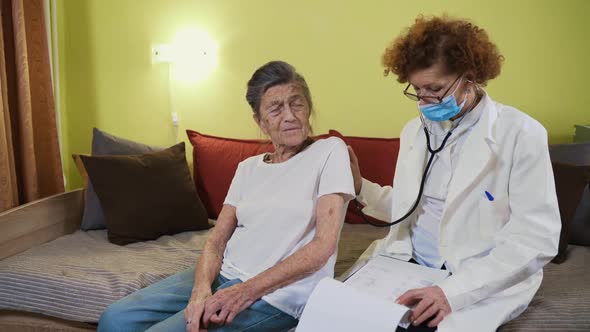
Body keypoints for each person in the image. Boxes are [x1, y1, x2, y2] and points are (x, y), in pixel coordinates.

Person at [98, 61, 355, 332]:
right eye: (276, 108)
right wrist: (200, 289)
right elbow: (216, 240)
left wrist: (245, 292)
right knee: (115, 319)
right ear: (260, 122)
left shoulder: (329, 151)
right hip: (224, 273)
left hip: (278, 294)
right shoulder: (247, 168)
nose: (290, 115)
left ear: (308, 108)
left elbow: (322, 247)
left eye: (297, 103)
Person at [349, 15, 561, 332]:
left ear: (469, 78)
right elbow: (410, 205)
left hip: (474, 275)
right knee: (338, 315)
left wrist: (452, 293)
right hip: (406, 263)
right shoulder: (415, 131)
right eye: (417, 90)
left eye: (434, 89)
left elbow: (536, 238)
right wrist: (359, 187)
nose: (423, 102)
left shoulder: (521, 133)